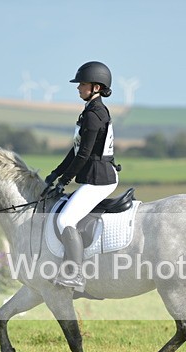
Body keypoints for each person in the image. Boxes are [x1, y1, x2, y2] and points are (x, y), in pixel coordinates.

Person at [45, 61, 119, 290]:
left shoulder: (94, 114)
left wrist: (65, 180)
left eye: (82, 84)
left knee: (65, 219)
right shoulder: (90, 111)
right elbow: (76, 150)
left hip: (100, 178)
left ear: (96, 87)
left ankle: (74, 274)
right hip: (94, 175)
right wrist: (56, 173)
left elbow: (84, 154)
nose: (78, 88)